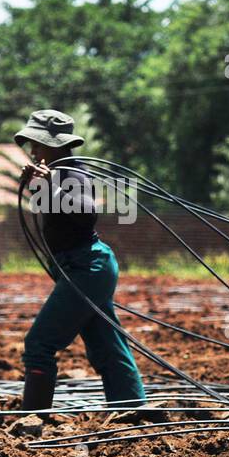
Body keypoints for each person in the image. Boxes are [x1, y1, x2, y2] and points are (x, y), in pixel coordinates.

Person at [14, 109, 146, 411]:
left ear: (57, 145)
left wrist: (50, 186)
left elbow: (86, 213)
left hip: (87, 267)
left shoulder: (73, 172)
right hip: (83, 267)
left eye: (38, 144)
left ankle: (32, 417)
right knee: (106, 345)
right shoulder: (57, 173)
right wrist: (37, 183)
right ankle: (132, 410)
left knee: (39, 343)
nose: (33, 150)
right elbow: (55, 209)